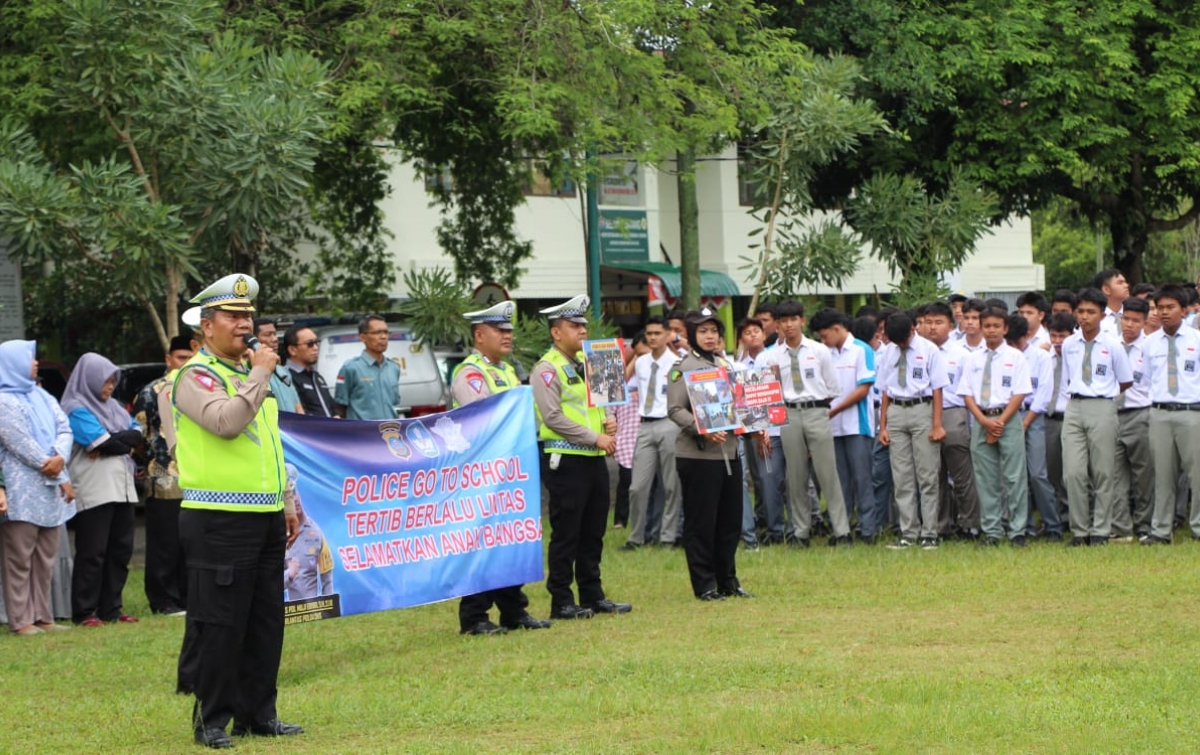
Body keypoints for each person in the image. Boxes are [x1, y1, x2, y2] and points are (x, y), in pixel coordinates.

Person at [172, 273, 302, 748]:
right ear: (207, 327)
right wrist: (260, 374)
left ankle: (258, 714)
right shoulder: (196, 376)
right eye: (233, 316)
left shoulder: (250, 374)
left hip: (265, 514)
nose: (245, 324)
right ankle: (212, 720)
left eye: (248, 315)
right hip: (218, 517)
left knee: (265, 621)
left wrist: (286, 499)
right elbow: (226, 424)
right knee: (221, 624)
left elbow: (270, 443)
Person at [448, 301, 551, 634]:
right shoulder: (470, 373)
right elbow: (483, 418)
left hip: (510, 472)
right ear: (480, 335)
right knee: (481, 541)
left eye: (509, 330)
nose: (508, 336)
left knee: (510, 539)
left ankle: (513, 610)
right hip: (481, 473)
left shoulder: (507, 370)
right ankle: (475, 616)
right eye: (500, 330)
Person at [531, 295, 631, 620]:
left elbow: (596, 408)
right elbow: (552, 417)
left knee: (593, 530)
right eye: (574, 326)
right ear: (556, 333)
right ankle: (561, 600)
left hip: (593, 458)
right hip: (565, 458)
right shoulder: (547, 369)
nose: (582, 331)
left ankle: (593, 594)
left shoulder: (590, 364)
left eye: (584, 325)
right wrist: (595, 436)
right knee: (567, 532)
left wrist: (609, 422)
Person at [667, 308, 753, 600]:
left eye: (714, 331)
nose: (709, 336)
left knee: (730, 522)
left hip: (729, 452)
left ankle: (727, 579)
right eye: (703, 331)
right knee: (701, 522)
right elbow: (675, 409)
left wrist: (758, 424)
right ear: (692, 335)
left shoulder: (725, 364)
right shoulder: (684, 366)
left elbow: (738, 403)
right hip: (699, 455)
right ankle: (705, 584)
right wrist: (700, 428)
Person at [757, 300, 850, 546]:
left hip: (817, 411)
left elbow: (832, 388)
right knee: (795, 476)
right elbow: (769, 392)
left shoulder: (819, 351)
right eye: (784, 321)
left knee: (827, 472)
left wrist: (814, 405)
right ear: (777, 325)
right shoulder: (771, 357)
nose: (789, 325)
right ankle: (801, 532)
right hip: (788, 415)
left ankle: (842, 531)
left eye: (793, 319)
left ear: (802, 321)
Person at [62, 353, 143, 626]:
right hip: (94, 487)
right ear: (89, 380)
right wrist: (115, 441)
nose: (109, 388)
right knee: (93, 551)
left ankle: (112, 608)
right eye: (104, 382)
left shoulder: (115, 407)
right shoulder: (75, 407)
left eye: (112, 382)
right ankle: (85, 611)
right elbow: (101, 442)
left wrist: (112, 441)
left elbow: (137, 434)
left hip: (122, 486)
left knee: (120, 549)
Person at [0, 340, 75, 635]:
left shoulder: (42, 396)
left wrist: (60, 457)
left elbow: (64, 428)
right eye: (30, 359)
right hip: (21, 491)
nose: (35, 364)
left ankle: (43, 616)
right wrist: (51, 462)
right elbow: (19, 443)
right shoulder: (4, 402)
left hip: (49, 488)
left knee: (45, 558)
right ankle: (21, 620)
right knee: (19, 558)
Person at [1061, 288, 1133, 546]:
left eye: (1091, 312)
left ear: (1103, 315)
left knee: (1103, 470)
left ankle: (1101, 530)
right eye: (1080, 311)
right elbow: (1068, 378)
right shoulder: (1069, 344)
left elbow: (1125, 380)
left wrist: (1103, 394)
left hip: (1102, 407)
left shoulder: (1113, 344)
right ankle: (1080, 531)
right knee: (1073, 472)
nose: (1084, 317)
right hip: (1074, 407)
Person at [957, 307, 1031, 547]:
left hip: (1008, 420)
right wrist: (984, 421)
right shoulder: (972, 358)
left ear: (1005, 328)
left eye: (996, 326)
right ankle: (992, 530)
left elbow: (1020, 392)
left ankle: (1017, 530)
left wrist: (999, 422)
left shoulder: (1015, 356)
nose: (991, 330)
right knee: (985, 478)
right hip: (981, 420)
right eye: (987, 326)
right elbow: (967, 393)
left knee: (1014, 476)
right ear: (981, 326)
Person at [877, 312, 948, 549]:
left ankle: (930, 532)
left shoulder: (929, 350)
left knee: (927, 474)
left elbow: (938, 389)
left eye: (904, 341)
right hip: (896, 411)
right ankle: (909, 532)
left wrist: (937, 424)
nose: (901, 346)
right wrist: (883, 425)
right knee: (902, 476)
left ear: (912, 330)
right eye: (896, 342)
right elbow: (885, 388)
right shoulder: (889, 350)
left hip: (921, 409)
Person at [133, 334, 192, 616]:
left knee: (189, 543)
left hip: (196, 477)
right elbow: (139, 437)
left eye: (191, 358)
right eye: (181, 358)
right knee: (164, 544)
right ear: (168, 359)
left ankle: (186, 596)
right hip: (163, 478)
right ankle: (163, 599)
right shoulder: (151, 391)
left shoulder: (199, 388)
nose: (186, 363)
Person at [810, 308, 876, 545]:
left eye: (825, 335)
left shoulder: (861, 349)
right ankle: (844, 527)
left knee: (862, 478)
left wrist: (834, 410)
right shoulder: (823, 353)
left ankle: (868, 528)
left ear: (837, 329)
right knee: (839, 480)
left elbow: (863, 388)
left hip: (857, 426)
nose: (823, 340)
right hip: (832, 427)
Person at [1142, 284, 1200, 545]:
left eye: (1170, 307)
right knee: (1162, 474)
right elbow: (1145, 380)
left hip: (1191, 414)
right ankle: (1161, 530)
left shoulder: (1197, 340)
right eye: (1159, 308)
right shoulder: (1150, 342)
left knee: (1197, 474)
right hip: (1160, 414)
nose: (1164, 313)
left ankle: (1197, 526)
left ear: (1184, 310)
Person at [622, 316, 684, 551]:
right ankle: (636, 537)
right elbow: (622, 382)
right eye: (649, 334)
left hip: (669, 422)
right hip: (645, 425)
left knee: (671, 484)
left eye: (658, 333)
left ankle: (668, 536)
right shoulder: (641, 362)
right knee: (637, 486)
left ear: (668, 335)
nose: (652, 337)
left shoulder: (677, 362)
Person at [1009, 315, 1061, 540]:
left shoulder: (1040, 357)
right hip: (1009, 415)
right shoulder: (1005, 356)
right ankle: (1025, 527)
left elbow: (1044, 393)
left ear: (1026, 336)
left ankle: (1052, 526)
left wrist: (1027, 421)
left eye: (1015, 341)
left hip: (1034, 415)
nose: (1012, 346)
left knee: (1038, 474)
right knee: (1016, 475)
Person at [737, 317, 787, 545]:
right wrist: (759, 430)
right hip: (755, 428)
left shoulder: (771, 357)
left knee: (787, 479)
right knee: (762, 479)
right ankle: (771, 526)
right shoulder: (742, 363)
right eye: (747, 332)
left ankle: (791, 527)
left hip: (782, 425)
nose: (753, 335)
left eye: (757, 331)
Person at [1112, 297, 1154, 541]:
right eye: (1126, 319)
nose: (1129, 325)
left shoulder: (1150, 348)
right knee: (1115, 473)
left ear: (1145, 321)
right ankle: (1120, 527)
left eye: (1135, 321)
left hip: (1140, 414)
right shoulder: (1109, 345)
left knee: (1143, 473)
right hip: (1113, 414)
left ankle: (1144, 525)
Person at [334, 314, 400, 420]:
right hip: (362, 433)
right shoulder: (351, 368)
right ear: (363, 337)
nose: (383, 337)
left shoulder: (393, 368)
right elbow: (340, 407)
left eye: (386, 332)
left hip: (388, 432)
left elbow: (394, 402)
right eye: (377, 332)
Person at [282, 465, 334, 601]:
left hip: (313, 614)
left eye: (295, 493)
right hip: (285, 615)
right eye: (288, 496)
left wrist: (330, 615)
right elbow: (267, 584)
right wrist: (289, 575)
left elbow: (327, 580)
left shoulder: (316, 533)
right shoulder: (277, 535)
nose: (294, 500)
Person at [253, 318, 303, 414]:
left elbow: (297, 406)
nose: (275, 339)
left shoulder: (283, 371)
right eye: (268, 335)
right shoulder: (253, 372)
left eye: (275, 334)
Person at [285, 325, 335, 417]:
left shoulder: (316, 376)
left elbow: (332, 407)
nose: (316, 348)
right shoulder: (286, 377)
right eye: (310, 344)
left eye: (317, 343)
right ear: (292, 350)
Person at [1094, 269, 1130, 337]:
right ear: (1106, 289)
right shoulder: (1096, 319)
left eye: (1125, 282)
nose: (1126, 285)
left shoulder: (1134, 314)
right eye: (1120, 283)